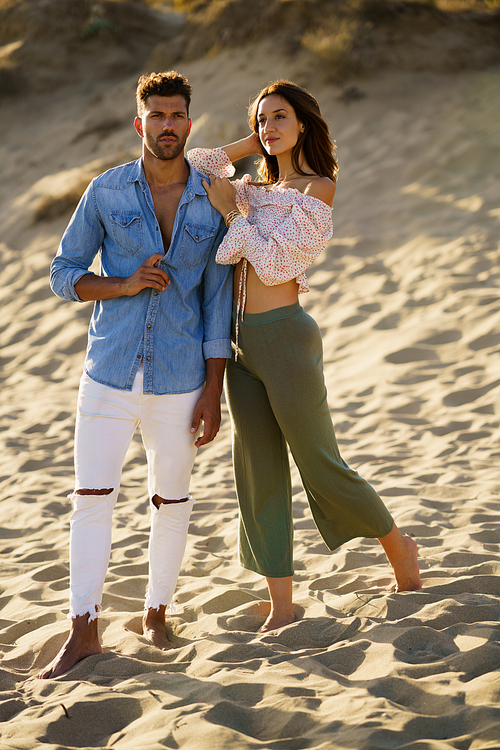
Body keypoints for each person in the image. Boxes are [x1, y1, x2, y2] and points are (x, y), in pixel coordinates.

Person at [188, 79, 421, 633]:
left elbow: (273, 266)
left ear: (304, 125)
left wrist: (231, 217)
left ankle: (397, 545)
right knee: (258, 469)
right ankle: (282, 604)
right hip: (239, 340)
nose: (270, 126)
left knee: (319, 461)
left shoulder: (318, 189)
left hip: (286, 337)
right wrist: (249, 146)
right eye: (262, 118)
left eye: (280, 117)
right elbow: (199, 162)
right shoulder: (250, 185)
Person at [39, 71, 233, 678]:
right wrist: (120, 285)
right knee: (91, 500)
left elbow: (217, 300)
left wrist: (213, 389)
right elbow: (62, 272)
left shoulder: (214, 198)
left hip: (180, 379)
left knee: (172, 502)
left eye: (177, 116)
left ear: (189, 124)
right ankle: (84, 629)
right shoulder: (107, 191)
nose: (168, 126)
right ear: (139, 123)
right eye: (157, 116)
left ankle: (156, 613)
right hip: (108, 373)